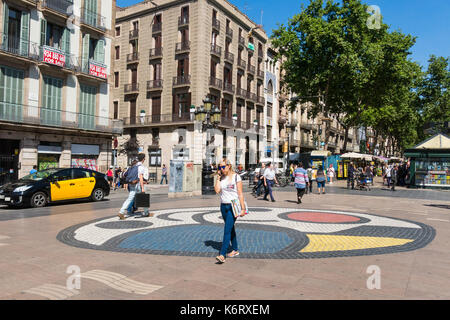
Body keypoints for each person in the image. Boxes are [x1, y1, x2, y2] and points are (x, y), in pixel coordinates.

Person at [214, 159, 246, 264]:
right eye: (220, 167)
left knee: (227, 230)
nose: (221, 169)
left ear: (229, 166)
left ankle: (222, 254)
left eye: (223, 167)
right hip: (223, 206)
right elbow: (217, 190)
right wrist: (218, 178)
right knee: (230, 228)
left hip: (233, 206)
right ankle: (235, 249)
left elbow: (240, 193)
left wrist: (243, 208)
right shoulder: (221, 178)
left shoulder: (236, 177)